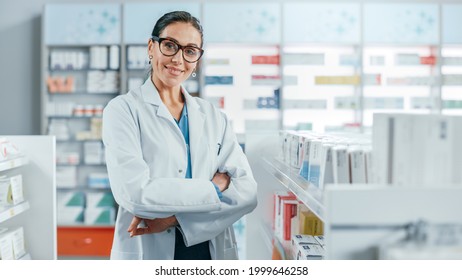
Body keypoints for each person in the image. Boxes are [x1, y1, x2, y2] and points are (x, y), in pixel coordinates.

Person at [102, 11, 258, 260]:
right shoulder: (123, 110)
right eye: (170, 45)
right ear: (151, 47)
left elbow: (248, 193)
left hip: (208, 249)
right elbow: (135, 194)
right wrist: (214, 187)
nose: (178, 59)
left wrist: (174, 219)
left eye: (190, 50)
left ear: (197, 59)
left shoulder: (213, 116)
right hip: (148, 248)